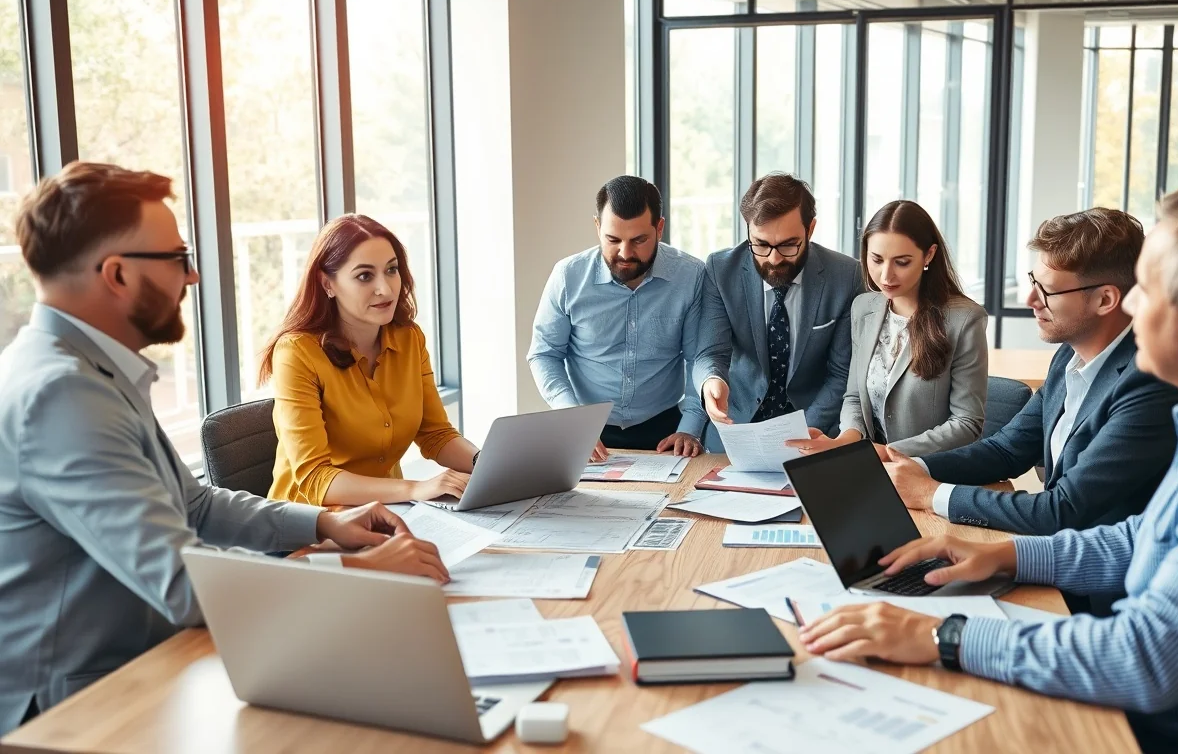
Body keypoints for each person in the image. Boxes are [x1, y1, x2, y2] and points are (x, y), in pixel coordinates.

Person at [798, 185, 1178, 753]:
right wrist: (1010, 554)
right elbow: (1150, 536)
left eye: (1147, 292)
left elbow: (1145, 658)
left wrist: (937, 634)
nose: (1130, 307)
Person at [0, 162, 449, 736]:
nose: (190, 278)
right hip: (83, 703)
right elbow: (183, 585)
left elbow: (196, 506)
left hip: (157, 658)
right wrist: (357, 570)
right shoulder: (61, 394)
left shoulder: (93, 369)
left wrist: (325, 526)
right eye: (175, 259)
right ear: (116, 274)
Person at [884, 208, 1178, 537]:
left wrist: (930, 493)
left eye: (1047, 290)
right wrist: (913, 469)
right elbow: (1006, 450)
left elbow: (1063, 510)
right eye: (1032, 281)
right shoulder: (1070, 353)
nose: (1030, 299)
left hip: (1096, 577)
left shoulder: (1149, 385)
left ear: (1105, 299)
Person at [261, 214, 478, 506]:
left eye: (391, 270)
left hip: (392, 514)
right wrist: (415, 489)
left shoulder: (409, 338)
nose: (385, 289)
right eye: (365, 276)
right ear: (328, 284)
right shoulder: (296, 353)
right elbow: (314, 478)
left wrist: (488, 465)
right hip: (311, 527)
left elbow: (435, 435)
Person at [786, 200, 988, 458]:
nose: (885, 276)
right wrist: (846, 440)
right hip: (867, 467)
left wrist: (886, 452)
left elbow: (966, 423)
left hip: (928, 472)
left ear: (929, 255)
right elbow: (854, 397)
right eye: (877, 260)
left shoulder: (964, 319)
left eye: (902, 262)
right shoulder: (864, 307)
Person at [528, 176, 707, 461]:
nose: (625, 253)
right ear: (598, 227)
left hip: (667, 430)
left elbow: (699, 358)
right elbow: (544, 354)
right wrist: (571, 418)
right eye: (613, 239)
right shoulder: (568, 276)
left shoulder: (692, 276)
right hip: (586, 428)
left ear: (659, 228)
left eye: (639, 240)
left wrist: (691, 428)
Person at [693, 173, 864, 452]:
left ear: (810, 229)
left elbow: (841, 374)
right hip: (736, 431)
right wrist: (712, 380)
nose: (773, 259)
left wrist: (803, 435)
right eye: (760, 244)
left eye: (787, 245)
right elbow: (710, 353)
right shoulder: (720, 270)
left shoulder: (846, 277)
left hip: (814, 431)